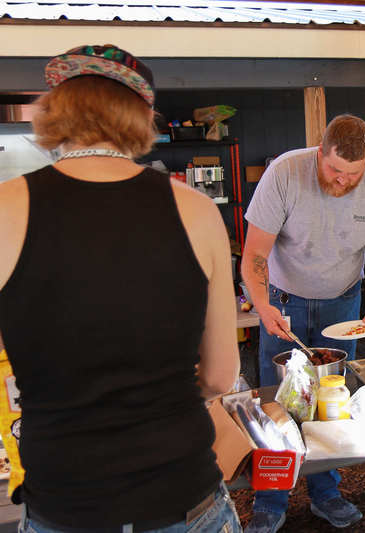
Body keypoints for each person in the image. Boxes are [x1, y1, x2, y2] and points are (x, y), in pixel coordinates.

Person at [0, 45, 242, 532]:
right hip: (182, 493)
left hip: (65, 500)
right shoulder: (196, 210)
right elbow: (220, 376)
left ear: (53, 109)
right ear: (144, 116)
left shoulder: (6, 207)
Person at [241, 114, 365, 532]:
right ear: (320, 152)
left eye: (354, 173)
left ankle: (326, 493)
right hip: (283, 302)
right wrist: (261, 305)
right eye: (335, 170)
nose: (344, 180)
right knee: (278, 403)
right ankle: (270, 499)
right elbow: (256, 253)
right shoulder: (284, 173)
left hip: (341, 307)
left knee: (332, 402)